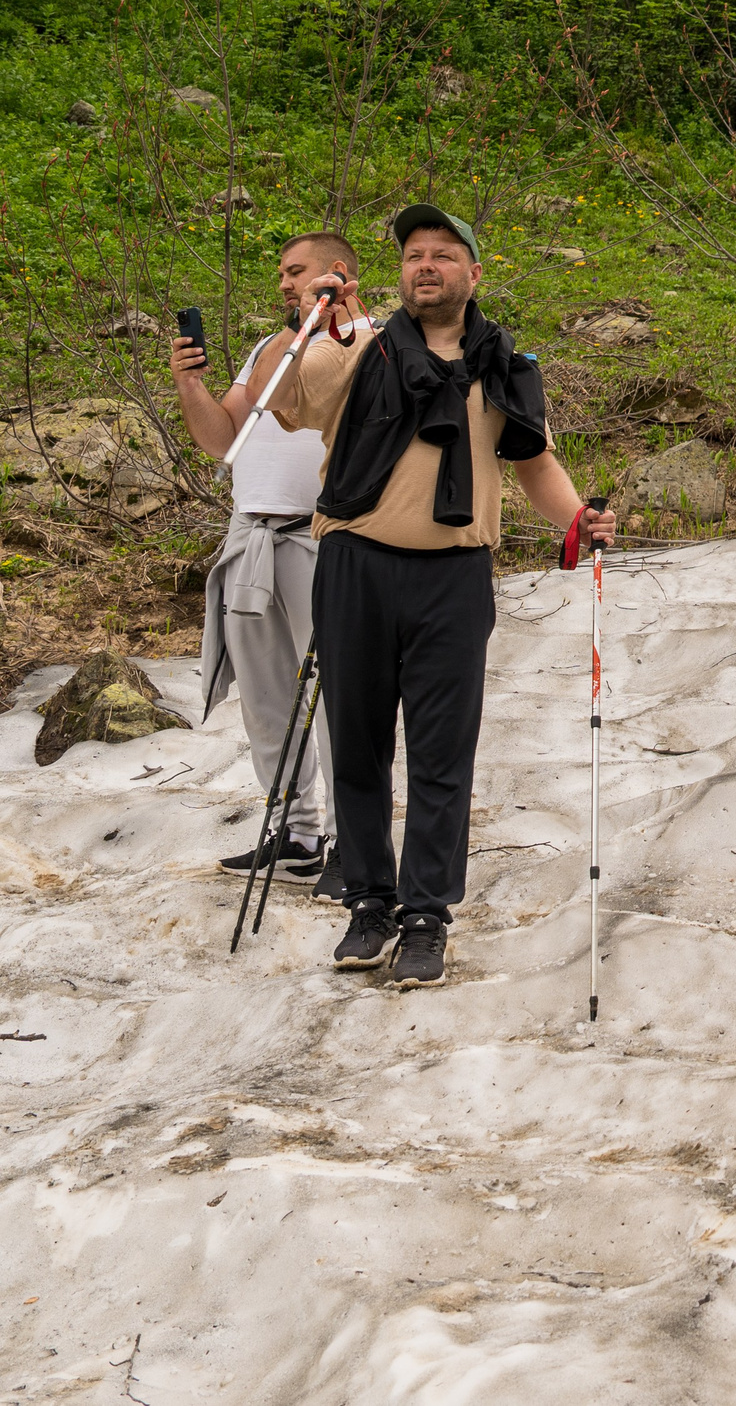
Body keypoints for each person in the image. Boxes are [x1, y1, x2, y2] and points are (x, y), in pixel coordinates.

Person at [267, 203, 613, 990]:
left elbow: (534, 462)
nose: (425, 265)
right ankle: (369, 902)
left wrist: (577, 520)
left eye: (443, 254)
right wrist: (307, 321)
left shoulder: (502, 365)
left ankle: (425, 917)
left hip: (453, 577)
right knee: (357, 746)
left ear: (473, 274)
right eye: (414, 254)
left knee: (441, 755)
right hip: (354, 565)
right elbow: (281, 400)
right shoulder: (356, 346)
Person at [172, 237, 373, 897]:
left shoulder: (372, 342)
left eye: (297, 272)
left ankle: (354, 841)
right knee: (267, 699)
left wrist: (319, 321)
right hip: (250, 536)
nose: (285, 282)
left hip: (324, 536)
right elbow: (223, 437)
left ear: (337, 273)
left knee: (340, 698)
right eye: (282, 274)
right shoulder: (270, 347)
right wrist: (190, 383)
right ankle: (296, 831)